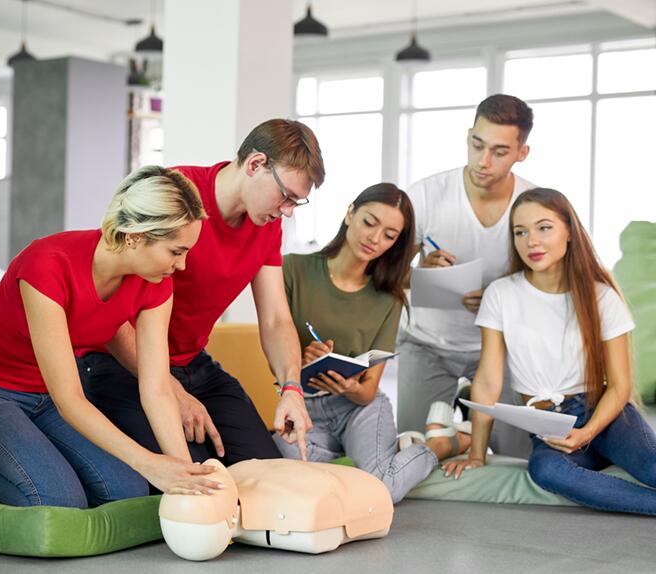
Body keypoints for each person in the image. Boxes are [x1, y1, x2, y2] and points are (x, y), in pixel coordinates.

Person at [0, 166, 220, 507]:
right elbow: (70, 399)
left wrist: (183, 474)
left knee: (127, 492)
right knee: (56, 498)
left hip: (47, 399)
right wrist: (149, 463)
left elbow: (157, 387)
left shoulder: (157, 283)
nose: (181, 265)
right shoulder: (47, 264)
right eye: (176, 251)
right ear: (134, 236)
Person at [80, 119, 324, 465]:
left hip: (193, 364)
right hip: (120, 362)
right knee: (196, 473)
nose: (286, 211)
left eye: (296, 203)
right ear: (256, 164)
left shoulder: (267, 226)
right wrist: (166, 386)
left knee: (265, 469)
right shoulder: (178, 195)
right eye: (285, 196)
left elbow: (275, 318)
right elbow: (108, 305)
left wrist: (291, 388)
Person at [443, 188, 656, 515]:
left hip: (606, 416)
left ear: (568, 231)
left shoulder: (601, 297)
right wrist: (477, 452)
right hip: (551, 427)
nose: (531, 241)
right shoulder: (501, 294)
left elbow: (619, 386)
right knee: (545, 471)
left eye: (544, 227)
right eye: (520, 232)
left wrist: (587, 431)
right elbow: (487, 381)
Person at [274, 183, 465, 503]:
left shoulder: (388, 298)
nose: (375, 239)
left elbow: (367, 392)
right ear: (350, 213)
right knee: (306, 489)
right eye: (370, 222)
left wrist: (348, 386)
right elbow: (274, 356)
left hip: (358, 409)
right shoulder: (292, 268)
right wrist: (301, 358)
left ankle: (441, 445)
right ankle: (383, 454)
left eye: (390, 235)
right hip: (302, 405)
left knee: (383, 487)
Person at [396, 94, 535, 458]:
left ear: (522, 153)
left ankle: (463, 419)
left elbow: (552, 286)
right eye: (477, 145)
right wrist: (418, 272)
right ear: (469, 135)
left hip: (501, 347)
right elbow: (386, 277)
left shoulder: (534, 203)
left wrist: (501, 294)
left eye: (500, 152)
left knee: (516, 460)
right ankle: (462, 425)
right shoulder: (425, 196)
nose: (483, 161)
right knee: (411, 452)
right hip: (426, 343)